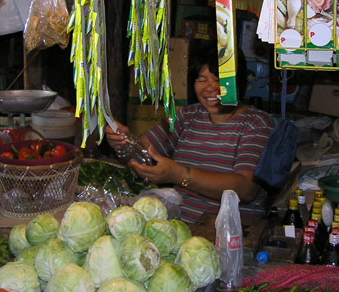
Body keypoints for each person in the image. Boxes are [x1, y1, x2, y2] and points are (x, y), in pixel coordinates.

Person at [104, 40, 275, 223]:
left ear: (238, 81)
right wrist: (124, 142)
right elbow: (144, 150)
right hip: (177, 230)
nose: (210, 87)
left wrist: (181, 175)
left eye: (219, 79)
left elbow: (246, 189)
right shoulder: (187, 116)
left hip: (229, 236)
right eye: (201, 79)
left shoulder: (257, 123)